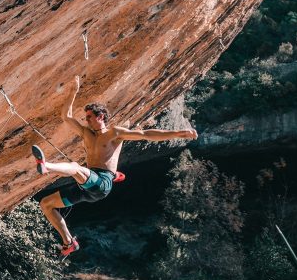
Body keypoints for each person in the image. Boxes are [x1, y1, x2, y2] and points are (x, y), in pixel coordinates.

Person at [32, 76, 197, 256]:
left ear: (101, 116)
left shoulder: (114, 133)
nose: (86, 121)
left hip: (102, 183)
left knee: (75, 167)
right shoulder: (86, 133)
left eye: (89, 117)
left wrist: (179, 133)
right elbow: (66, 116)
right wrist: (73, 91)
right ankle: (69, 242)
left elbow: (145, 134)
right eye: (86, 118)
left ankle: (46, 166)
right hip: (87, 186)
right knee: (46, 204)